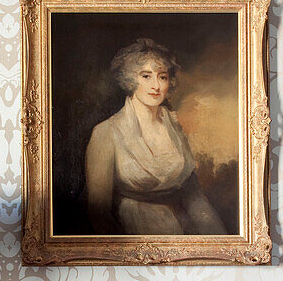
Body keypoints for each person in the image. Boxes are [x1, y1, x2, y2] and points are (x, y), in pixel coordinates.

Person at [85, 38, 226, 235]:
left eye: (162, 77)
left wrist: (217, 239)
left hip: (185, 230)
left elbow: (193, 195)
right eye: (146, 76)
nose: (156, 86)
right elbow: (98, 213)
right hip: (133, 234)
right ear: (130, 80)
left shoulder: (173, 124)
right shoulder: (106, 132)